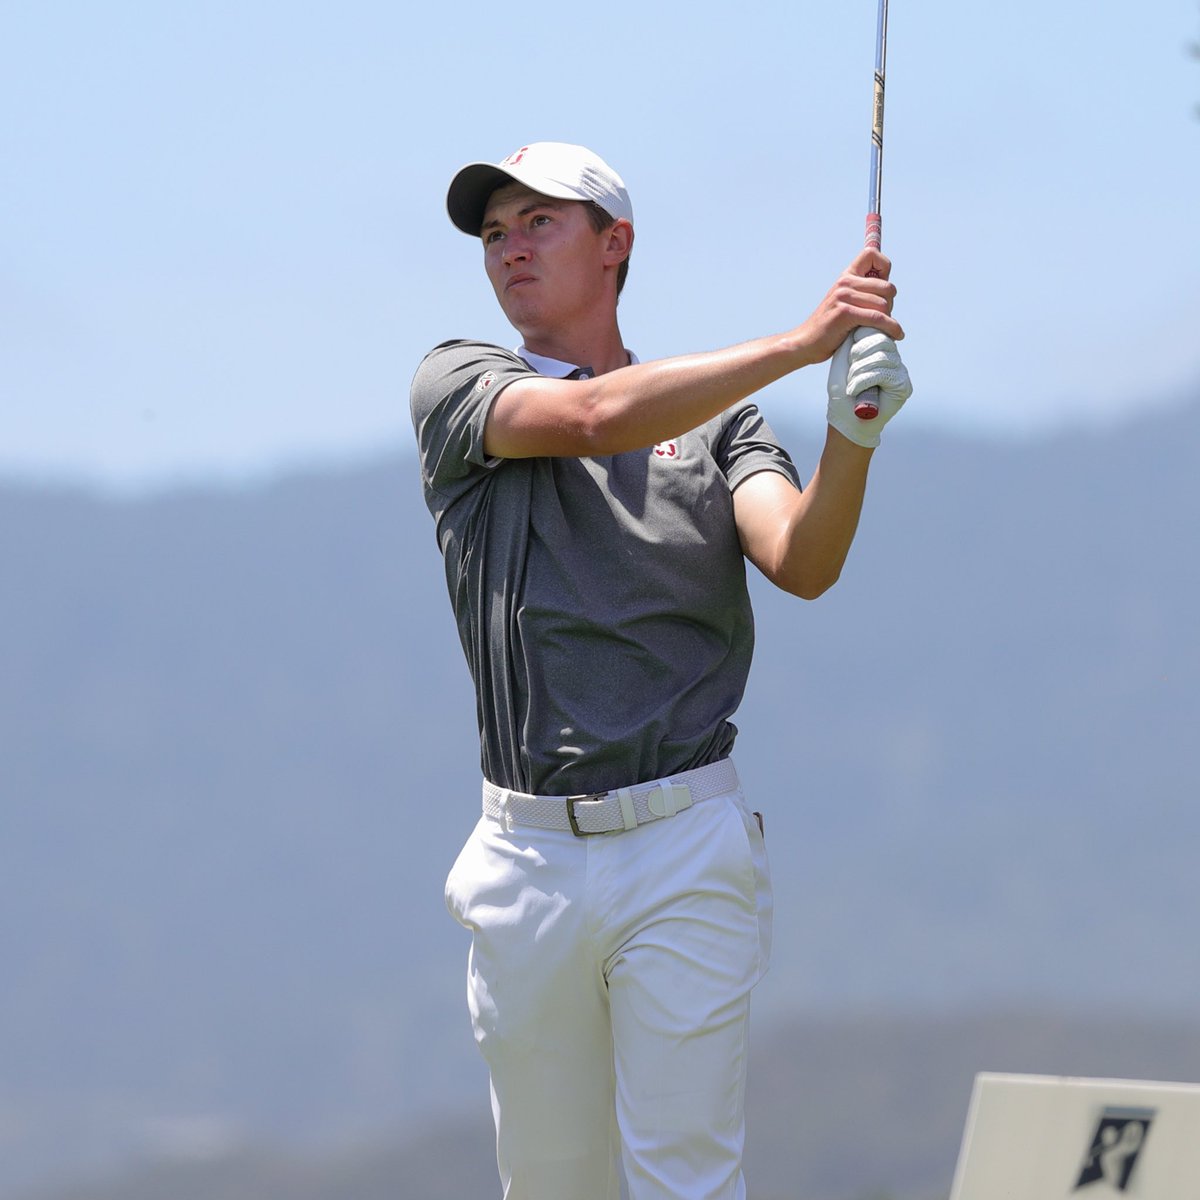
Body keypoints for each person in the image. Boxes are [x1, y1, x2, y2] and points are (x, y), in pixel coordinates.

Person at [409, 141, 911, 1200]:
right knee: (554, 1184)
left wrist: (852, 431)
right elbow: (595, 416)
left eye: (538, 222)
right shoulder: (458, 384)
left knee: (688, 1176)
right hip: (527, 855)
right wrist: (803, 341)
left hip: (685, 841)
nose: (508, 249)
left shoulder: (724, 423)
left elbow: (801, 560)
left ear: (615, 244)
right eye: (494, 233)